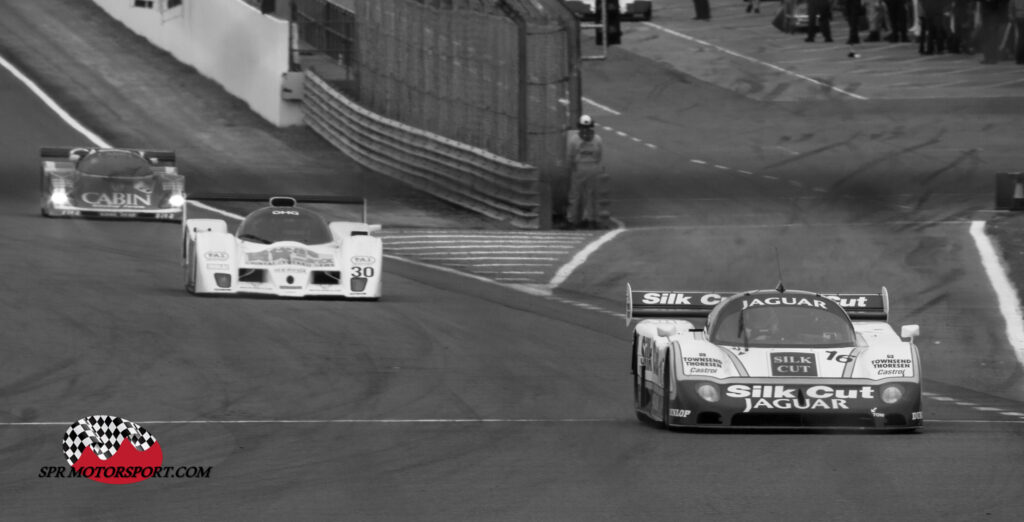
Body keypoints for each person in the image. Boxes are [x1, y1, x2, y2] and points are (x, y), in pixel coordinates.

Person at [565, 115, 605, 228]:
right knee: (591, 195)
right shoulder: (597, 139)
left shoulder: (574, 139)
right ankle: (591, 220)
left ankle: (571, 221)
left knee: (575, 196)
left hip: (578, 169)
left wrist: (571, 169)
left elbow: (570, 156)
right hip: (593, 168)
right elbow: (599, 156)